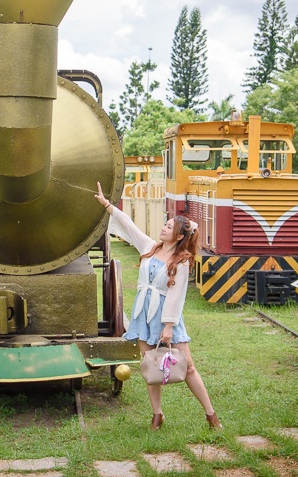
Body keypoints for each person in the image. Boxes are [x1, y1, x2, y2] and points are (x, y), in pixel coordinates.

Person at [95, 182, 222, 431]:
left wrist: (168, 327)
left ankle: (211, 415)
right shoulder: (150, 248)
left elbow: (176, 295)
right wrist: (107, 205)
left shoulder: (182, 261)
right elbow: (130, 229)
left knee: (188, 367)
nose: (163, 229)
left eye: (169, 227)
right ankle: (157, 414)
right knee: (151, 366)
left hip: (166, 317)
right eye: (164, 225)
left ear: (180, 236)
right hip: (144, 314)